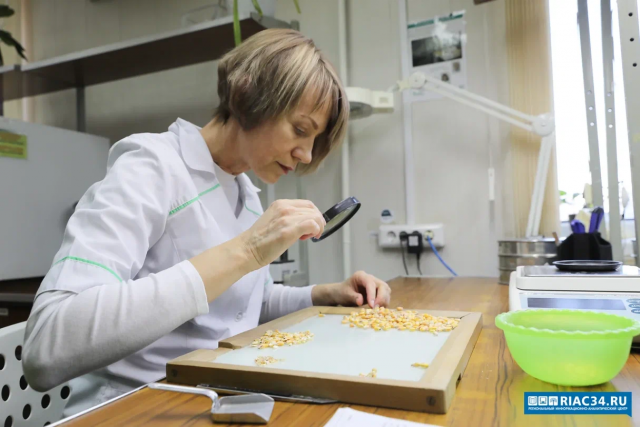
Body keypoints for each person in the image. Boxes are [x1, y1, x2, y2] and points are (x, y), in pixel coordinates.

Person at [22, 28, 391, 416]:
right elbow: (47, 346)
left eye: (314, 141)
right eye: (300, 130)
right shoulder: (150, 168)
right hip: (129, 409)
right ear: (248, 96)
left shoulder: (246, 193)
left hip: (211, 401)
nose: (306, 155)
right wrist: (246, 251)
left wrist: (324, 295)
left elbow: (246, 303)